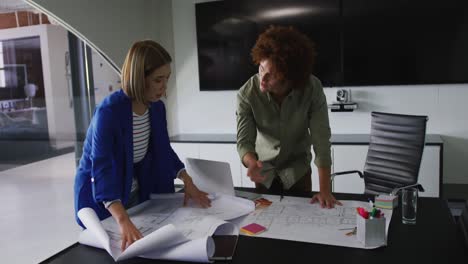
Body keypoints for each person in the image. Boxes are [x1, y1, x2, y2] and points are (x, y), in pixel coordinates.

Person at [74, 40, 211, 251]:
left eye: (167, 78)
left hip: (133, 187)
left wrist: (187, 180)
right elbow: (102, 170)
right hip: (101, 195)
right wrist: (122, 219)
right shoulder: (108, 113)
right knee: (114, 247)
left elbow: (163, 150)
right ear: (139, 78)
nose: (165, 86)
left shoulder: (157, 108)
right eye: (158, 79)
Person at [236, 25, 342, 208]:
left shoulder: (312, 88)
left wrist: (325, 189)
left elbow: (321, 140)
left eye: (271, 75)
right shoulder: (247, 93)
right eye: (261, 68)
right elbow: (244, 141)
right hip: (264, 172)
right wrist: (251, 162)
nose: (262, 79)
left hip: (298, 172)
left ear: (289, 76)